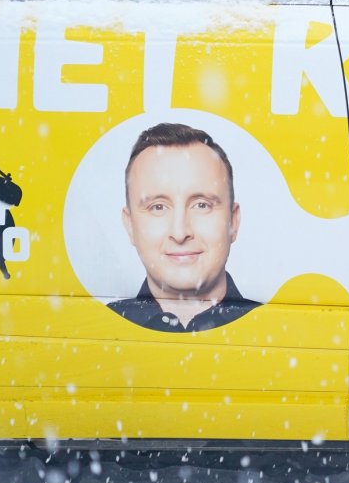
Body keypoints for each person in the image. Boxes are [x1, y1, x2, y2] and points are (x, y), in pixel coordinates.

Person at [109, 122, 259, 332]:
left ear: (233, 221)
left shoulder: (277, 329)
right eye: (158, 207)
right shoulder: (94, 328)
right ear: (130, 225)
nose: (180, 233)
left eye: (202, 205)